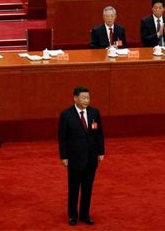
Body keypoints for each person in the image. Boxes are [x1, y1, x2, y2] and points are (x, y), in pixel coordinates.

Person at [58, 86, 105, 227]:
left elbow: (99, 134)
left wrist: (101, 152)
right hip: (74, 159)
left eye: (88, 98)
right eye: (84, 98)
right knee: (73, 189)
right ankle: (73, 215)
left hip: (91, 159)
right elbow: (62, 138)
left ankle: (84, 214)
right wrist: (64, 156)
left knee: (87, 188)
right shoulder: (66, 115)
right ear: (75, 98)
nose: (86, 101)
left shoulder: (94, 113)